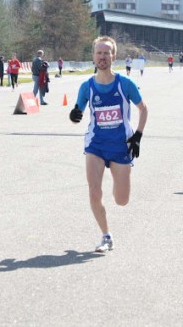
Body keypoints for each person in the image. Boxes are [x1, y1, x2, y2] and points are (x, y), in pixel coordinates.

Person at [68, 36, 148, 253]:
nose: (102, 57)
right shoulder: (87, 87)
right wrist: (74, 116)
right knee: (94, 191)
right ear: (93, 56)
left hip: (121, 146)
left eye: (106, 53)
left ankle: (118, 177)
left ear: (113, 56)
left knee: (121, 200)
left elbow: (143, 109)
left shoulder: (125, 84)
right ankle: (106, 236)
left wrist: (138, 135)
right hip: (96, 144)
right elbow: (77, 113)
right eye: (99, 53)